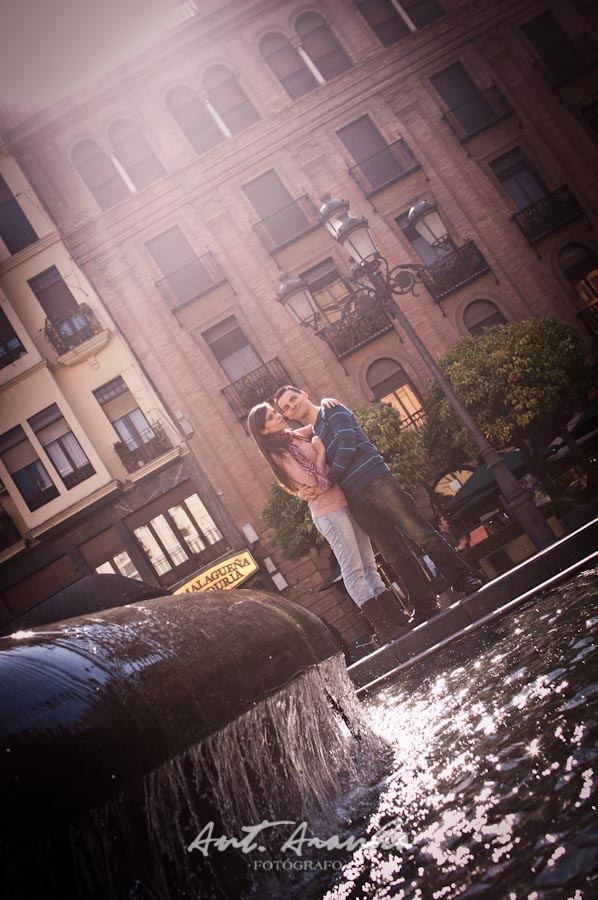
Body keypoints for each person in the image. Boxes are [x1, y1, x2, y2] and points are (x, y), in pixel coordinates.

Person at [273, 385, 484, 626]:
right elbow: (297, 461)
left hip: (377, 481)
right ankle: (425, 605)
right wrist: (304, 490)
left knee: (421, 534)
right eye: (286, 408)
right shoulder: (310, 434)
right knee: (394, 554)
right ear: (287, 416)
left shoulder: (334, 410)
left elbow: (347, 448)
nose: (292, 406)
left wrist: (326, 482)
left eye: (293, 399)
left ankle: (463, 579)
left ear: (304, 393)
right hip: (354, 498)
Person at [247, 401, 411, 643]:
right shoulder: (280, 453)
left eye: (275, 412)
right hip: (329, 513)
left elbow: (317, 421)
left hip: (343, 502)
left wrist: (323, 402)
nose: (278, 416)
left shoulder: (293, 436)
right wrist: (320, 451)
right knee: (353, 569)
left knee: (368, 563)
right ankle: (383, 628)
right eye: (271, 417)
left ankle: (395, 616)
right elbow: (314, 479)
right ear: (263, 431)